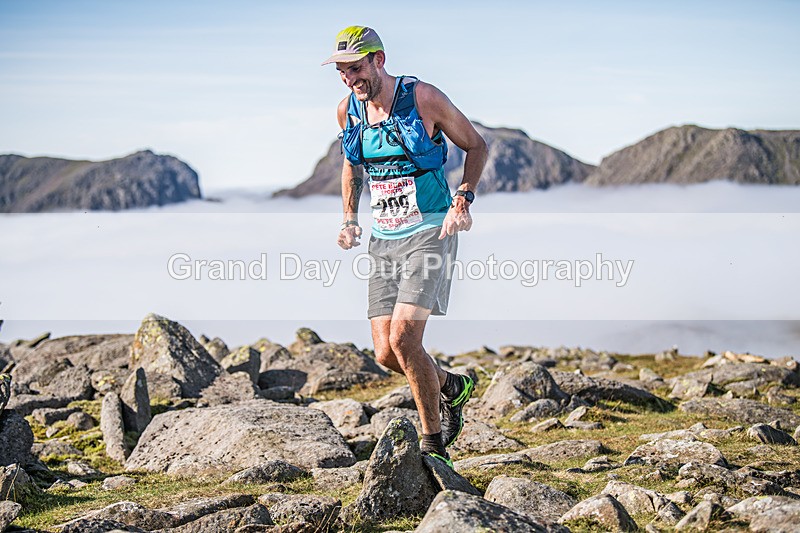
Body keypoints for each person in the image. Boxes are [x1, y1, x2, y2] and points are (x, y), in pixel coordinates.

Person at [323, 26, 487, 468]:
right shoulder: (347, 111)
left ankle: (434, 446)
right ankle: (451, 386)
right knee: (384, 353)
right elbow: (351, 169)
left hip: (431, 230)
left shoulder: (423, 98)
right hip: (384, 238)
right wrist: (349, 219)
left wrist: (463, 199)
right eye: (341, 71)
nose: (349, 79)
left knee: (404, 339)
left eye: (355, 68)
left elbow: (475, 145)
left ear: (378, 59)